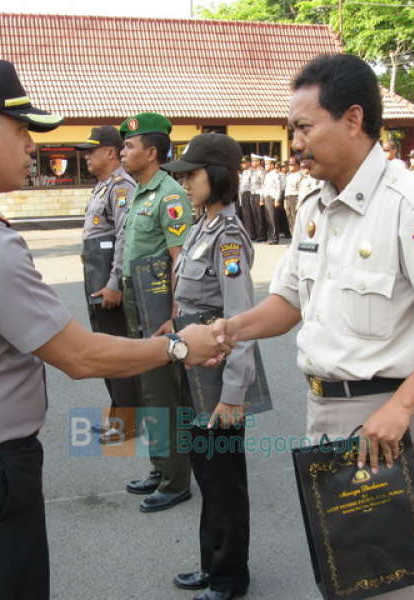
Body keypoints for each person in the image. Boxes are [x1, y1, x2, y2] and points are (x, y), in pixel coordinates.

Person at [0, 59, 229, 600]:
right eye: (21, 130)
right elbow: (79, 357)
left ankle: (168, 472)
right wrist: (181, 346)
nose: (32, 146)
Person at [212, 53, 414, 600]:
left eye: (304, 128)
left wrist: (402, 408)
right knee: (343, 579)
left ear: (353, 119)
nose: (295, 143)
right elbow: (289, 301)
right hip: (324, 412)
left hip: (383, 422)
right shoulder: (316, 206)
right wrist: (229, 330)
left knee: (380, 587)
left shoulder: (412, 208)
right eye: (291, 130)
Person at [161, 133, 256, 600]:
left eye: (192, 174)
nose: (185, 183)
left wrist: (233, 395)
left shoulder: (229, 237)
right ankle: (211, 564)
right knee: (206, 474)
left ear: (217, 176)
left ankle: (229, 577)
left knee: (223, 483)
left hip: (218, 379)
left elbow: (241, 321)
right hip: (194, 369)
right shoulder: (203, 226)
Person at [119, 111, 197, 511]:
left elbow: (180, 259)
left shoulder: (169, 195)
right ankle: (160, 466)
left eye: (129, 146)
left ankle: (175, 480)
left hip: (158, 306)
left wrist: (174, 315)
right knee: (148, 390)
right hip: (137, 300)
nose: (122, 152)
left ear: (151, 152)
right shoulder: (140, 191)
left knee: (163, 393)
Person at [76, 126, 139, 443]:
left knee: (117, 353)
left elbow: (124, 238)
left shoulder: (121, 187)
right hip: (96, 277)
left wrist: (115, 283)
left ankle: (127, 423)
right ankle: (119, 417)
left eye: (92, 150)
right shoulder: (103, 186)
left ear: (111, 153)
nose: (86, 156)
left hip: (108, 283)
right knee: (107, 350)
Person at [262, 156, 283, 244]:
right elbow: (265, 188)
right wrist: (263, 198)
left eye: (267, 164)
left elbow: (278, 188)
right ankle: (270, 237)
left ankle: (275, 238)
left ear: (272, 165)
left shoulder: (276, 175)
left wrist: (277, 200)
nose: (265, 166)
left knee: (273, 218)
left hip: (272, 197)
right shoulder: (267, 175)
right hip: (267, 197)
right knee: (269, 218)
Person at [283, 156, 303, 235]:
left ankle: (297, 237)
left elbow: (301, 190)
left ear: (298, 165)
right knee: (289, 218)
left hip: (295, 197)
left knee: (295, 218)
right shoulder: (289, 175)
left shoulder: (300, 175)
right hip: (287, 198)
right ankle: (293, 236)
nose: (290, 166)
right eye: (289, 164)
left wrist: (299, 202)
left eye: (292, 164)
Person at [248, 155, 266, 241]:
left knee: (260, 216)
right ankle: (257, 234)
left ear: (258, 162)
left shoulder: (262, 171)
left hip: (259, 195)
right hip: (252, 194)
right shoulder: (252, 171)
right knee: (254, 215)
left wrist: (262, 199)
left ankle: (262, 235)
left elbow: (263, 185)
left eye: (254, 161)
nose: (252, 163)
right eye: (252, 161)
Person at [238, 156, 255, 236]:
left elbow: (251, 185)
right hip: (243, 194)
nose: (242, 165)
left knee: (249, 214)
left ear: (248, 163)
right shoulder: (244, 172)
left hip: (248, 193)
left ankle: (251, 233)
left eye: (244, 163)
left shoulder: (252, 171)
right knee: (245, 214)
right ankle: (248, 232)